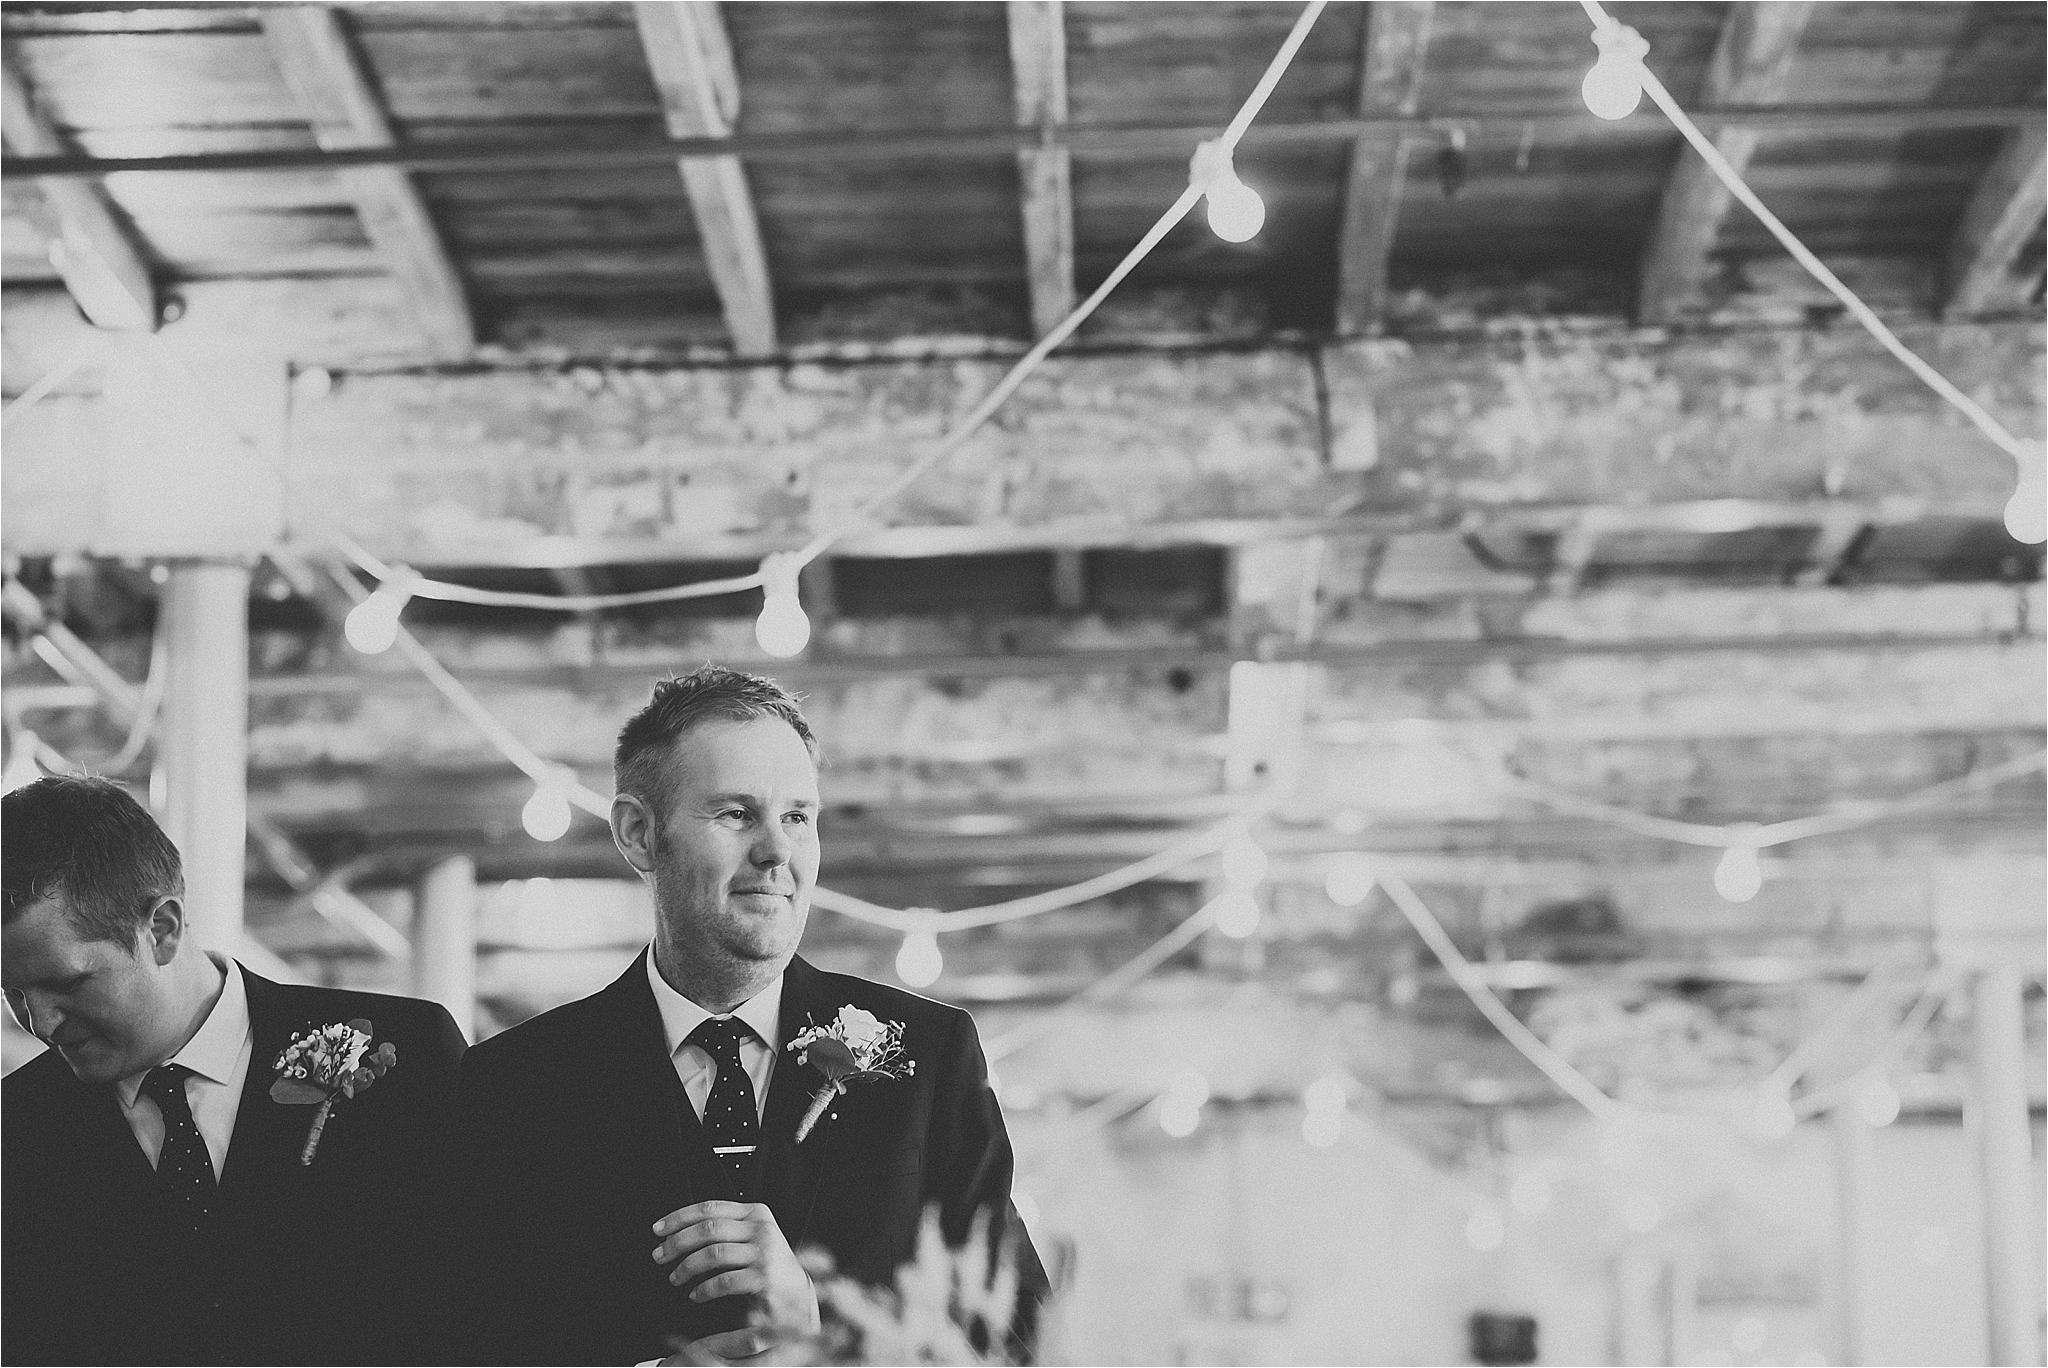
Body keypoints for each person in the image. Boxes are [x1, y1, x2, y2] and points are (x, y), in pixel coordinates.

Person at [458, 665, 1045, 1364]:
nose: (777, 851)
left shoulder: (933, 1060)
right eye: (737, 814)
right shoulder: (513, 1085)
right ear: (639, 835)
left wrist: (828, 1331)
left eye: (798, 816)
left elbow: (1024, 1342)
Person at [2, 775, 467, 1365]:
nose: (40, 1022)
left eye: (66, 983)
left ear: (162, 929)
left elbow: (487, 1304)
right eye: (13, 993)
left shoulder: (410, 1056)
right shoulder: (13, 1133)